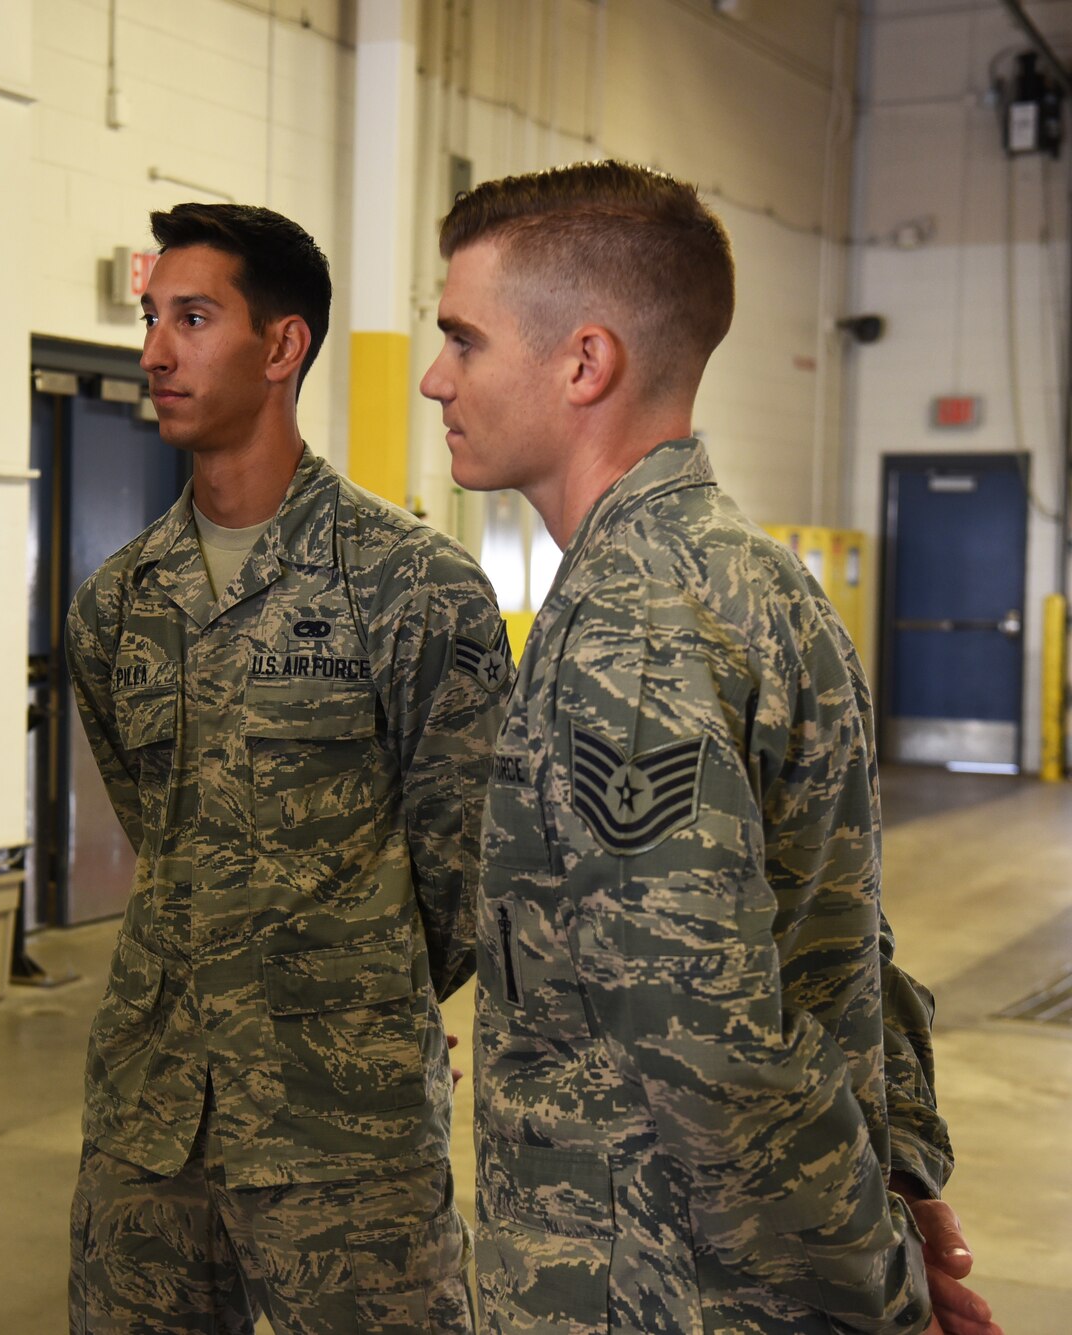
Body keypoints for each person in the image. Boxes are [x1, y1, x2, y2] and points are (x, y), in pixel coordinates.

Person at [420, 160, 998, 1335]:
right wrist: (896, 1180)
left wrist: (869, 1292)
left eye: (461, 341)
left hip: (647, 1283)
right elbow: (837, 937)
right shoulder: (754, 576)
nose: (434, 378)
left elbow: (708, 1050)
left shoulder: (624, 625)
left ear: (583, 362)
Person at [65, 202, 509, 1334]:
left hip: (341, 1132)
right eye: (152, 318)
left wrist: (358, 1000)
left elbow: (463, 872)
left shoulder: (411, 588)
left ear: (280, 347)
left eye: (194, 317)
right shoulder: (119, 604)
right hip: (149, 1119)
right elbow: (161, 833)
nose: (156, 351)